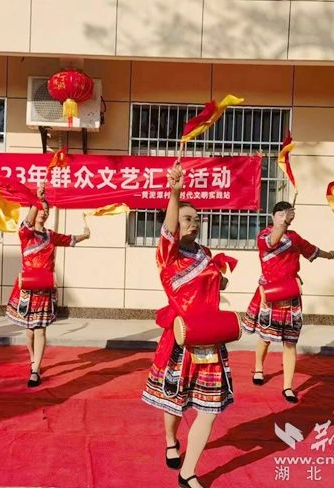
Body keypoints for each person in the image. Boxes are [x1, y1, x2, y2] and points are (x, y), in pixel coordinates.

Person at [141, 162, 234, 488]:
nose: (193, 223)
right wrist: (175, 193)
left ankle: (188, 472)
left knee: (209, 409)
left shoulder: (205, 253)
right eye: (186, 219)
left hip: (210, 340)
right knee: (175, 401)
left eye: (196, 218)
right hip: (181, 340)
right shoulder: (168, 255)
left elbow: (211, 283)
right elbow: (168, 231)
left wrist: (220, 282)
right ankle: (171, 440)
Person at [242, 201, 334, 403]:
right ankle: (258, 368)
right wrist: (283, 223)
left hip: (291, 293)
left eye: (287, 215)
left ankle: (288, 387)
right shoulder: (264, 235)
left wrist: (329, 255)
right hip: (270, 294)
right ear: (273, 216)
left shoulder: (295, 238)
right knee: (265, 337)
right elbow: (272, 242)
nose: (284, 218)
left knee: (290, 342)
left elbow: (311, 250)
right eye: (280, 214)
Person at [5, 183, 90, 387]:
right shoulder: (26, 234)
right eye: (40, 210)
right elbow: (27, 221)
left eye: (46, 210)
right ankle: (33, 360)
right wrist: (37, 199)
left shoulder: (51, 236)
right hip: (27, 290)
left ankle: (35, 370)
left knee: (40, 330)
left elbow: (69, 239)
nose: (43, 213)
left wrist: (85, 235)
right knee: (29, 332)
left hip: (44, 290)